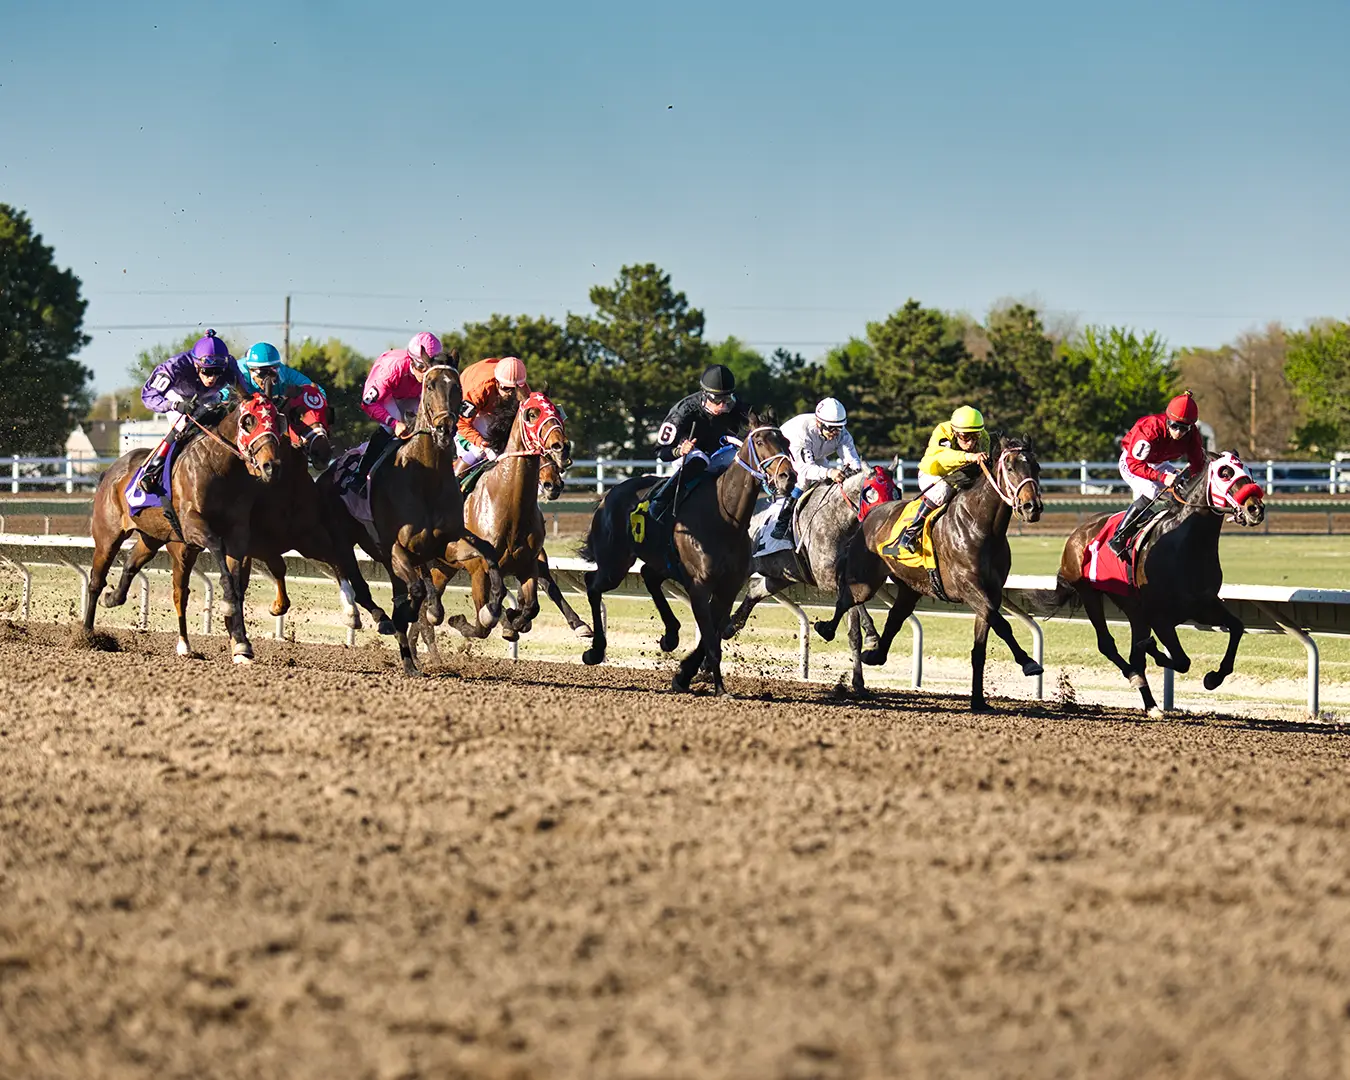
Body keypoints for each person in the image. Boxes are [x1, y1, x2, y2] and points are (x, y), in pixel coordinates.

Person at [134, 330, 242, 496]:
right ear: (196, 364)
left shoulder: (230, 365)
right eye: (207, 371)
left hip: (208, 397)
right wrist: (175, 405)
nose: (212, 378)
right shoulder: (174, 366)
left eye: (217, 372)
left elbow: (246, 393)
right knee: (184, 424)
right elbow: (148, 396)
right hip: (177, 396)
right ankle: (152, 471)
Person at [644, 364, 752, 521]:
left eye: (727, 399)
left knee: (744, 459)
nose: (722, 406)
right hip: (687, 454)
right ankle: (659, 502)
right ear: (705, 395)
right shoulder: (682, 412)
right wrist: (679, 451)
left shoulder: (734, 404)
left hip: (716, 452)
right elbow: (661, 452)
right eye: (717, 400)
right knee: (700, 459)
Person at [1108, 390, 1207, 556]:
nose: (1178, 432)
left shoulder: (1192, 436)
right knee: (1151, 490)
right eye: (1174, 426)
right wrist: (1162, 477)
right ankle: (1119, 537)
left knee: (1184, 489)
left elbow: (1198, 464)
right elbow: (1135, 464)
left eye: (1184, 428)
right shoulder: (1150, 429)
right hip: (1132, 462)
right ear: (1167, 419)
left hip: (1158, 463)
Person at [345, 331, 444, 492]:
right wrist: (394, 423)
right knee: (393, 425)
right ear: (412, 361)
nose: (426, 374)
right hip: (388, 395)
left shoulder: (434, 374)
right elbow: (367, 403)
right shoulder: (391, 368)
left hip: (412, 394)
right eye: (422, 367)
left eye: (431, 368)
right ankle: (360, 475)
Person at [895, 405, 991, 554]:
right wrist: (969, 456)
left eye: (975, 436)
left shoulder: (984, 437)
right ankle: (911, 532)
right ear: (955, 431)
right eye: (965, 436)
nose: (971, 442)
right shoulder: (943, 432)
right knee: (942, 491)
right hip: (934, 472)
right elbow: (944, 456)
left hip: (961, 475)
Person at [767, 397, 866, 540]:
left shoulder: (842, 433)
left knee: (827, 483)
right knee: (803, 481)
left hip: (815, 451)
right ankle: (783, 521)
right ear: (819, 422)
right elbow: (805, 468)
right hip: (785, 453)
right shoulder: (802, 431)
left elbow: (853, 461)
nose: (835, 433)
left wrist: (859, 474)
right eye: (831, 428)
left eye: (839, 427)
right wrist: (830, 472)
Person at [237, 342, 333, 467]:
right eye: (262, 374)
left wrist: (302, 394)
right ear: (250, 370)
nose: (268, 379)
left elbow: (318, 392)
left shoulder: (286, 374)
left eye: (272, 373)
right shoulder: (240, 373)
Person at [454, 356, 530, 474]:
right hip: (467, 412)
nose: (511, 394)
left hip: (491, 407)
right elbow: (462, 424)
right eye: (506, 388)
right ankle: (455, 482)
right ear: (496, 381)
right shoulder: (478, 391)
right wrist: (483, 445)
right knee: (479, 450)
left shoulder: (523, 388)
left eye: (515, 389)